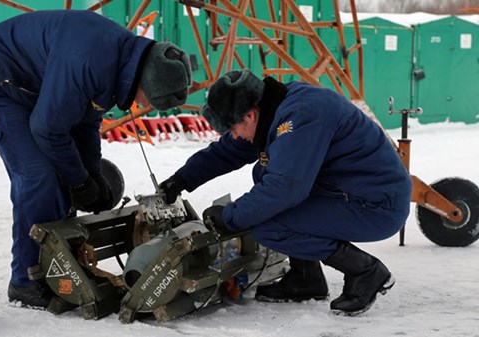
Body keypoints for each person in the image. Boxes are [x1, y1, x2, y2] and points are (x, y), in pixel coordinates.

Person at [0, 10, 192, 308]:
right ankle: (26, 280)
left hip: (29, 82)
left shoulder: (118, 60)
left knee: (62, 171)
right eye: (146, 98)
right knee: (39, 175)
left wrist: (92, 172)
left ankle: (60, 263)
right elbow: (47, 129)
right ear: (144, 78)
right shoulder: (90, 61)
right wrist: (80, 182)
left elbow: (86, 119)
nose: (141, 104)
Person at [159, 69, 412, 316]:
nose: (236, 136)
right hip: (350, 192)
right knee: (265, 172)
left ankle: (364, 271)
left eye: (234, 129)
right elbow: (229, 150)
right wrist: (183, 178)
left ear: (248, 116)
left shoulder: (301, 116)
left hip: (375, 206)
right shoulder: (274, 108)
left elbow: (284, 189)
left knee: (268, 225)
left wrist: (229, 217)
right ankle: (306, 278)